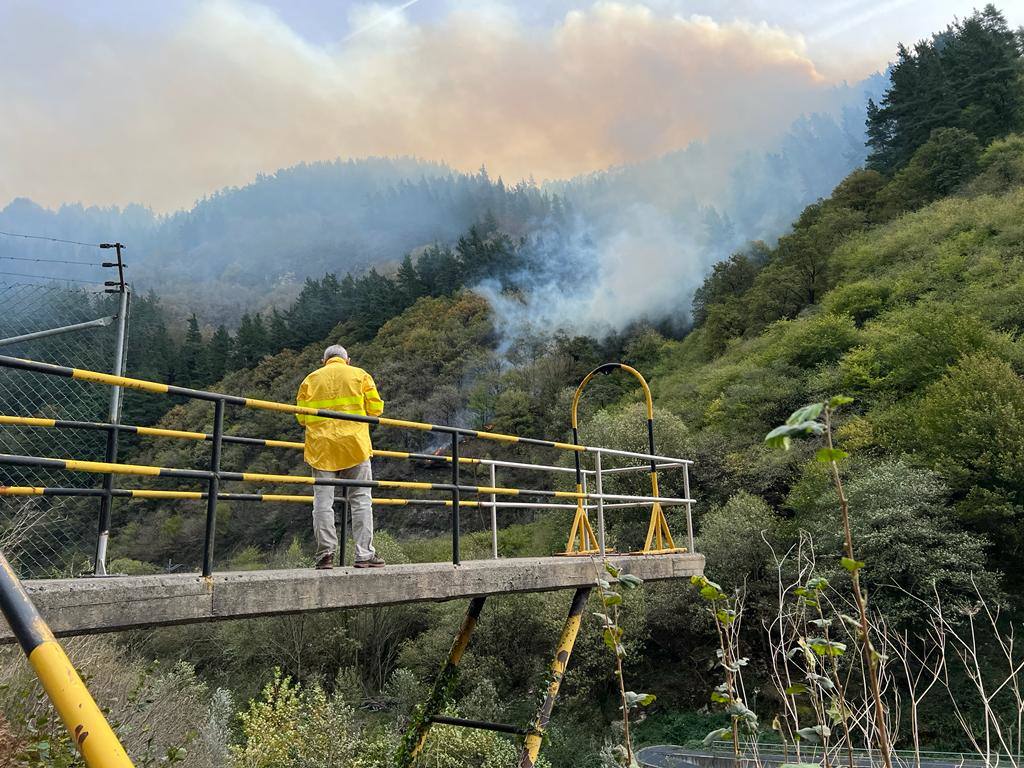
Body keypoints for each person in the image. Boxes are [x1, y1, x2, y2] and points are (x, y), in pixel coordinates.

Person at [296, 344, 386, 570]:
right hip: (354, 445)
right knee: (361, 500)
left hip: (322, 449)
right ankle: (364, 555)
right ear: (348, 359)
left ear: (324, 360)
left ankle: (325, 555)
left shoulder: (310, 379)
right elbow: (375, 410)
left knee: (323, 503)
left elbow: (301, 418)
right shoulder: (360, 375)